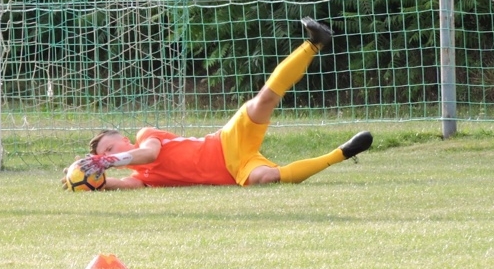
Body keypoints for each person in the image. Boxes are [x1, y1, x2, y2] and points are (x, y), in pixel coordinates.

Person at [70, 18, 373, 190]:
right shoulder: (142, 179)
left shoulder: (146, 136)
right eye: (104, 155)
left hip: (227, 141)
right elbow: (112, 184)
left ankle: (315, 43)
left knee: (264, 99)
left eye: (109, 148)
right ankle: (340, 154)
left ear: (123, 140)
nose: (108, 155)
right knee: (267, 178)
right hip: (236, 170)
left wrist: (108, 161)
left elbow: (148, 154)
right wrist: (82, 177)